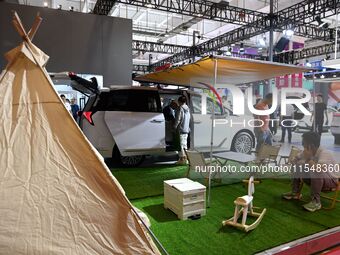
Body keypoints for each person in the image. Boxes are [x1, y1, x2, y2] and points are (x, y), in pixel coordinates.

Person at [282, 132, 338, 212]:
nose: (302, 144)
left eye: (303, 143)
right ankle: (295, 192)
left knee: (315, 170)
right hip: (317, 179)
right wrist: (294, 161)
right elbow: (295, 158)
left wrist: (308, 159)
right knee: (298, 165)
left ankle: (316, 202)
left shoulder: (324, 153)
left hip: (332, 181)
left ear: (310, 146)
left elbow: (319, 169)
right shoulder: (307, 151)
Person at [174, 96, 190, 165]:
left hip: (180, 129)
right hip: (186, 129)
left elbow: (178, 119)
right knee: (184, 145)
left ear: (179, 101)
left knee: (180, 145)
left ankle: (182, 160)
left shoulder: (180, 108)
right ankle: (186, 159)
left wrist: (174, 127)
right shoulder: (188, 108)